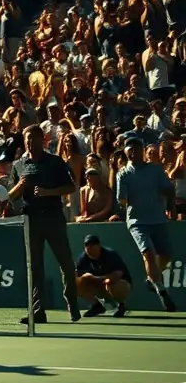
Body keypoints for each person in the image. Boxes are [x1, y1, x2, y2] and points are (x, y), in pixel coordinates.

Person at [9, 125, 80, 325]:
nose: (29, 142)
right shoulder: (19, 164)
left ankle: (72, 303)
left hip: (53, 219)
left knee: (66, 263)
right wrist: (20, 186)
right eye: (26, 139)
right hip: (30, 221)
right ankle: (38, 311)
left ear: (42, 140)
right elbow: (10, 196)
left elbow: (70, 187)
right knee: (35, 267)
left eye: (32, 138)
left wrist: (49, 192)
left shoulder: (55, 162)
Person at [115, 138, 178, 312]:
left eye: (135, 149)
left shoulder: (156, 171)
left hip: (158, 218)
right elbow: (122, 200)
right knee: (149, 254)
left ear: (142, 150)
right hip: (137, 221)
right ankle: (161, 290)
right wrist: (123, 201)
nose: (132, 152)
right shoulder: (123, 173)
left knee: (166, 254)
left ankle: (152, 279)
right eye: (129, 150)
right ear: (126, 152)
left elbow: (169, 190)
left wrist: (172, 211)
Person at [75, 234, 132, 318]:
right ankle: (97, 306)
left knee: (117, 285)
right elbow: (78, 275)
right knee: (74, 284)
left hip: (116, 283)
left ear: (99, 245)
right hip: (97, 286)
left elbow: (118, 274)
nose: (89, 247)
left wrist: (100, 279)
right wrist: (85, 277)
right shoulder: (82, 258)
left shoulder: (110, 255)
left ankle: (121, 305)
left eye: (93, 244)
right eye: (87, 245)